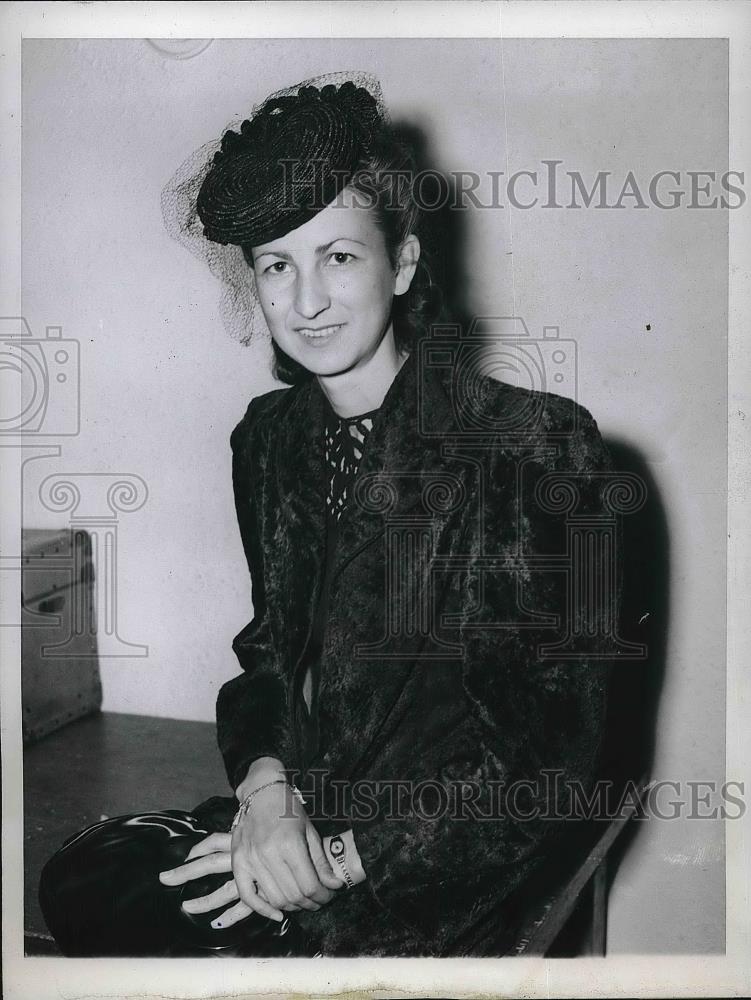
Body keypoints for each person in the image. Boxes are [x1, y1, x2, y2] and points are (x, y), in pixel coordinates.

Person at [38, 73, 617, 958]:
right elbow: (268, 651)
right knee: (83, 883)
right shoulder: (269, 442)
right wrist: (267, 798)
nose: (303, 300)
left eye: (338, 257)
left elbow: (545, 770)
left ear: (405, 263)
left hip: (445, 862)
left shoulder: (532, 448)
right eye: (276, 264)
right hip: (305, 820)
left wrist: (332, 860)